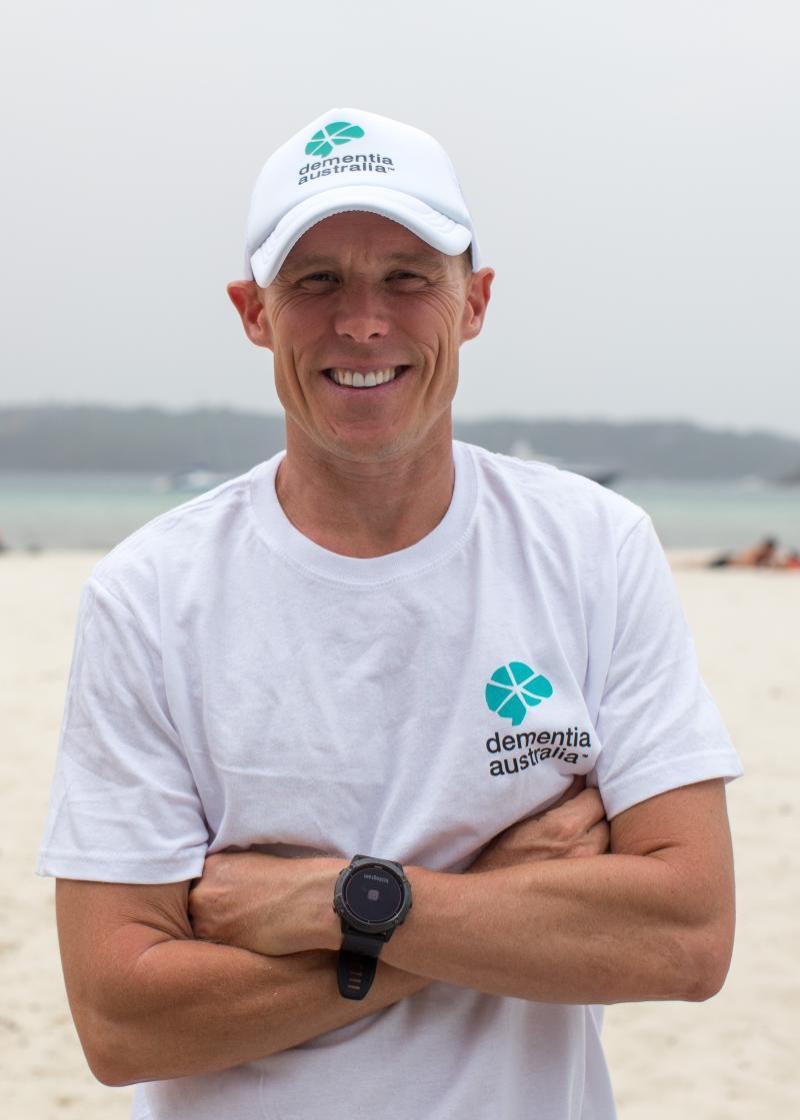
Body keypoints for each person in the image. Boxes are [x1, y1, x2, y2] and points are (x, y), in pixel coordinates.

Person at [38, 107, 743, 1120]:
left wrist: (335, 900)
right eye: (315, 280)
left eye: (407, 276)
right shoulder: (150, 596)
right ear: (253, 310)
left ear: (472, 301)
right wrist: (473, 900)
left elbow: (685, 939)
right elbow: (122, 1022)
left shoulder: (592, 550)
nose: (362, 322)